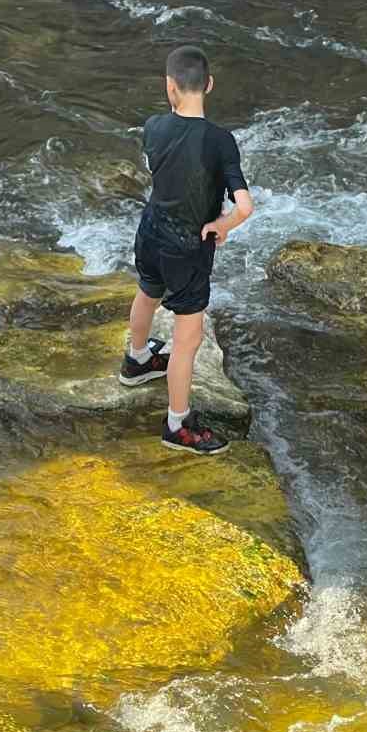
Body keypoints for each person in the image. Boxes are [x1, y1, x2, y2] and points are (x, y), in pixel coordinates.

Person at [119, 44, 253, 455]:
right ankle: (178, 424)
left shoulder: (153, 126)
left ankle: (137, 359)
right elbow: (244, 207)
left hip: (151, 230)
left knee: (147, 289)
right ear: (209, 85)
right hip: (189, 246)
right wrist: (222, 224)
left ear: (169, 87)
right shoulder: (220, 140)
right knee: (187, 338)